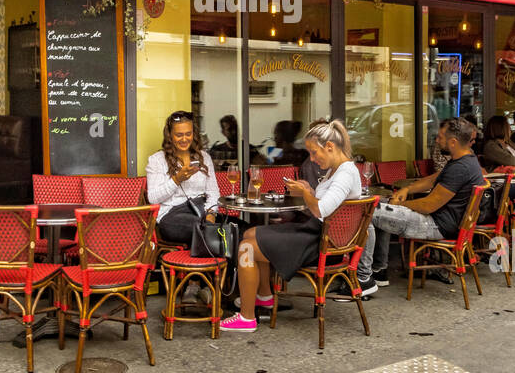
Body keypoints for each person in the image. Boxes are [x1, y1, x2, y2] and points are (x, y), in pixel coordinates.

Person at [221, 120, 364, 332]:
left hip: (322, 243)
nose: (312, 159)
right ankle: (264, 295)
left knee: (246, 248)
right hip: (319, 234)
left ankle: (247, 317)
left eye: (315, 153)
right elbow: (328, 205)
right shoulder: (338, 170)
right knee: (250, 233)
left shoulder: (344, 174)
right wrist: (309, 191)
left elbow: (320, 210)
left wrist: (306, 194)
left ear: (330, 147)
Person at [357, 117, 488, 289]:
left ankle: (364, 278)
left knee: (366, 212)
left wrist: (399, 205)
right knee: (377, 206)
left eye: (441, 137)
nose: (437, 140)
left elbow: (428, 205)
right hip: (440, 221)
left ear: (453, 142)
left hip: (435, 225)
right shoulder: (465, 160)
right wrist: (407, 190)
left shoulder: (460, 168)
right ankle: (379, 270)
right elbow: (431, 180)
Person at [145, 111, 218, 245]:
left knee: (240, 230)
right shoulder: (157, 160)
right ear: (170, 136)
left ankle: (228, 264)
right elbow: (153, 198)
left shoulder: (204, 157)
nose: (184, 139)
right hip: (171, 216)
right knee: (214, 232)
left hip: (200, 211)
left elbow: (213, 192)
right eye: (179, 135)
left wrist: (211, 214)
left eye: (188, 134)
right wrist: (176, 180)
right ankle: (224, 265)